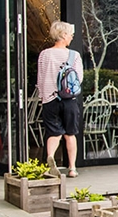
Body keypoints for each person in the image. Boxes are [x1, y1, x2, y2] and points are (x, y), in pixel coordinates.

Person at [36, 20, 83, 177]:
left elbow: (40, 79)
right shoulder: (74, 55)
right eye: (70, 34)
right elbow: (79, 79)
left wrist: (43, 97)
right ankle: (72, 168)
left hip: (50, 99)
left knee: (54, 133)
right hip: (69, 100)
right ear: (63, 35)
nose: (71, 37)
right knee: (70, 134)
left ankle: (50, 158)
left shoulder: (44, 54)